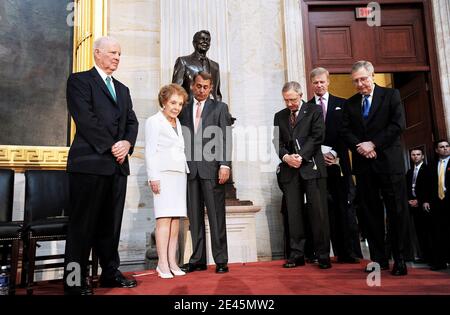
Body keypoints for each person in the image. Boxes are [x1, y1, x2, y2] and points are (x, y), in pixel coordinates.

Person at [64, 36, 139, 294]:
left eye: (120, 53)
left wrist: (127, 143)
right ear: (97, 53)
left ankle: (109, 273)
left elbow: (132, 123)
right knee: (82, 227)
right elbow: (86, 119)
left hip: (117, 167)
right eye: (113, 52)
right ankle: (74, 282)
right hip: (89, 165)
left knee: (111, 225)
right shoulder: (79, 81)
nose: (117, 57)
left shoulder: (123, 89)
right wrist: (113, 146)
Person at [341, 60, 409, 276]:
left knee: (396, 212)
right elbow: (345, 131)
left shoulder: (391, 96)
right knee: (370, 215)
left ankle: (399, 259)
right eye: (356, 81)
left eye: (363, 79)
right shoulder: (350, 104)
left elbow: (398, 125)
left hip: (389, 165)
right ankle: (379, 260)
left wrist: (374, 143)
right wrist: (361, 147)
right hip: (364, 167)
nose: (360, 84)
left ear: (372, 75)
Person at [273, 81, 331, 270]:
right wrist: (286, 157)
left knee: (318, 213)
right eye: (286, 100)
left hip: (311, 168)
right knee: (294, 214)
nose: (289, 104)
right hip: (290, 170)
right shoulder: (279, 116)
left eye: (292, 99)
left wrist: (301, 156)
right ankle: (296, 255)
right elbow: (277, 141)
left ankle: (323, 255)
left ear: (300, 95)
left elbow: (318, 136)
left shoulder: (314, 110)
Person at [178, 72, 232, 274]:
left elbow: (225, 138)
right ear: (192, 86)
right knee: (194, 216)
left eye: (205, 87)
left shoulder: (220, 108)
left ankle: (221, 260)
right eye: (198, 86)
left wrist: (225, 165)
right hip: (190, 170)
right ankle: (198, 259)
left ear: (211, 88)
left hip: (212, 170)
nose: (201, 90)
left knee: (217, 216)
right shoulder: (183, 109)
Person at [308, 67, 362, 263]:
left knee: (344, 209)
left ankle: (347, 252)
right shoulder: (307, 108)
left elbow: (347, 132)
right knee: (322, 210)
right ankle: (322, 254)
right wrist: (318, 155)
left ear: (328, 82)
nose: (319, 85)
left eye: (322, 82)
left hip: (339, 165)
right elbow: (306, 138)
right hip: (317, 167)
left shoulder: (343, 104)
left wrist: (335, 153)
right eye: (315, 82)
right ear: (311, 84)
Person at [145, 84, 189, 279]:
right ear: (164, 101)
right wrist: (153, 177)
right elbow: (150, 151)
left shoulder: (178, 123)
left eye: (180, 103)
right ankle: (162, 264)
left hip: (179, 175)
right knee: (163, 219)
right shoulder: (154, 121)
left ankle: (172, 261)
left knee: (175, 220)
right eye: (173, 102)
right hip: (162, 176)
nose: (176, 107)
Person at [172, 30, 222, 102]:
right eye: (202, 39)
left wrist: (218, 110)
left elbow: (217, 94)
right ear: (194, 43)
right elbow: (176, 90)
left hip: (212, 110)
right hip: (190, 109)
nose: (205, 42)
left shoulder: (215, 66)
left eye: (207, 40)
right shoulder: (183, 62)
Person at [423, 139, 450, 270]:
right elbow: (427, 186)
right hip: (437, 203)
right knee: (438, 233)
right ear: (436, 150)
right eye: (442, 147)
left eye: (447, 146)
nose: (445, 148)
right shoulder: (431, 165)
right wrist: (426, 200)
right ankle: (440, 262)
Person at [405, 147, 432, 264]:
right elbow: (406, 188)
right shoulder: (410, 172)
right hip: (412, 206)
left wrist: (419, 200)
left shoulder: (428, 170)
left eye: (418, 154)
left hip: (424, 205)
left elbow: (429, 188)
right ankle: (423, 256)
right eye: (413, 154)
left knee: (428, 231)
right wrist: (409, 200)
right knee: (418, 232)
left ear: (422, 156)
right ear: (411, 157)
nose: (415, 156)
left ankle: (430, 256)